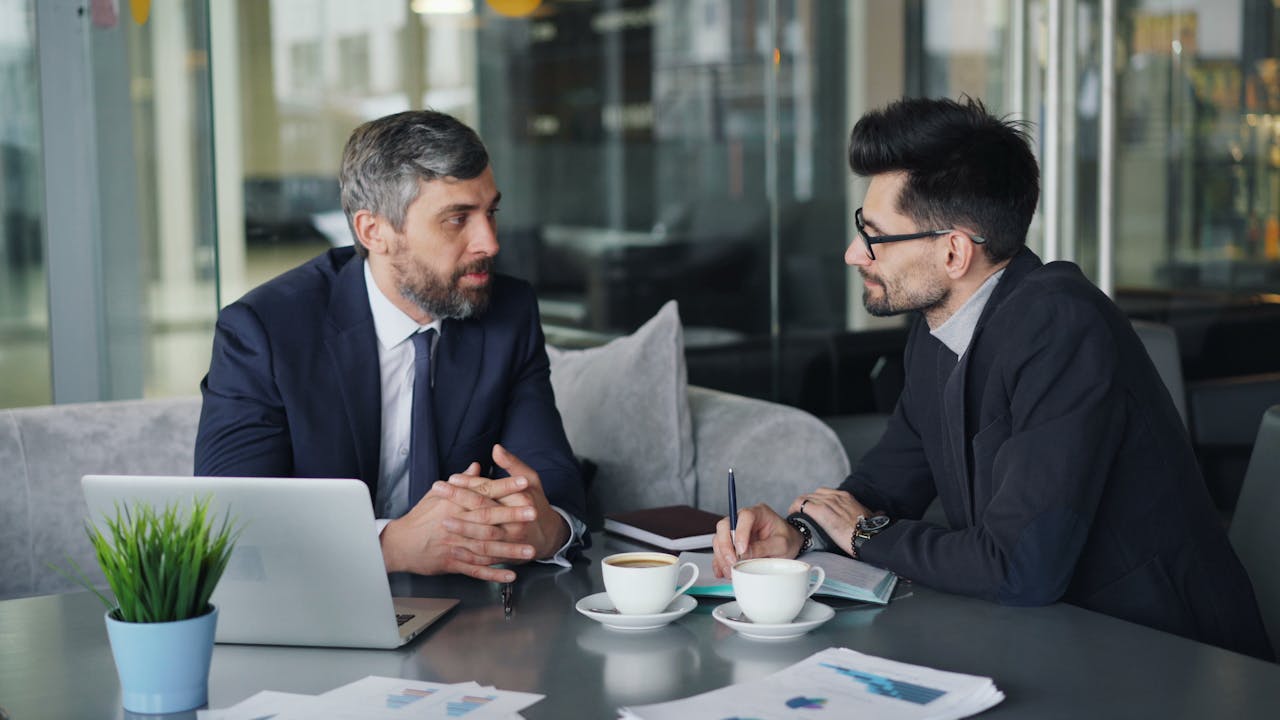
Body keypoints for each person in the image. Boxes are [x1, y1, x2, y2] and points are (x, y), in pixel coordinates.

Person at [712, 96, 1274, 660]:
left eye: (875, 236)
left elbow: (1019, 565)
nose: (853, 254)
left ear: (955, 251)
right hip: (1048, 643)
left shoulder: (1061, 326)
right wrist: (799, 533)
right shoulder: (938, 331)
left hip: (1166, 658)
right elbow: (884, 487)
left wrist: (865, 535)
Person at [196, 110, 585, 584]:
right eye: (457, 219)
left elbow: (553, 481)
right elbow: (235, 522)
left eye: (491, 212)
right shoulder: (264, 332)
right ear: (373, 231)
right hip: (317, 608)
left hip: (469, 618)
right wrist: (389, 546)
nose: (488, 242)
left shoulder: (509, 312)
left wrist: (546, 530)